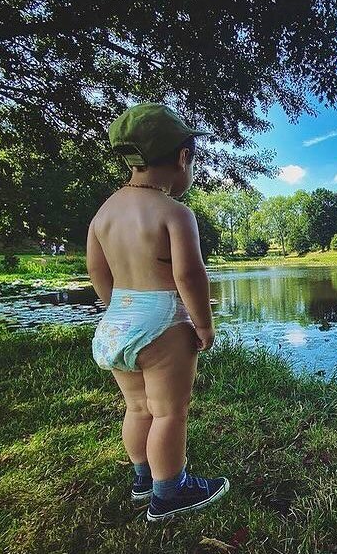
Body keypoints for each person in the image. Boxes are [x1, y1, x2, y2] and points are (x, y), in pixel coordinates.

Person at [86, 103, 229, 522]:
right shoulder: (175, 213)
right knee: (169, 411)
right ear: (183, 157)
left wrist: (116, 308)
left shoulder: (105, 213)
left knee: (137, 407)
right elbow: (189, 275)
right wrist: (202, 322)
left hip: (118, 318)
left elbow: (97, 269)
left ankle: (142, 479)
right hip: (162, 319)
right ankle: (170, 492)